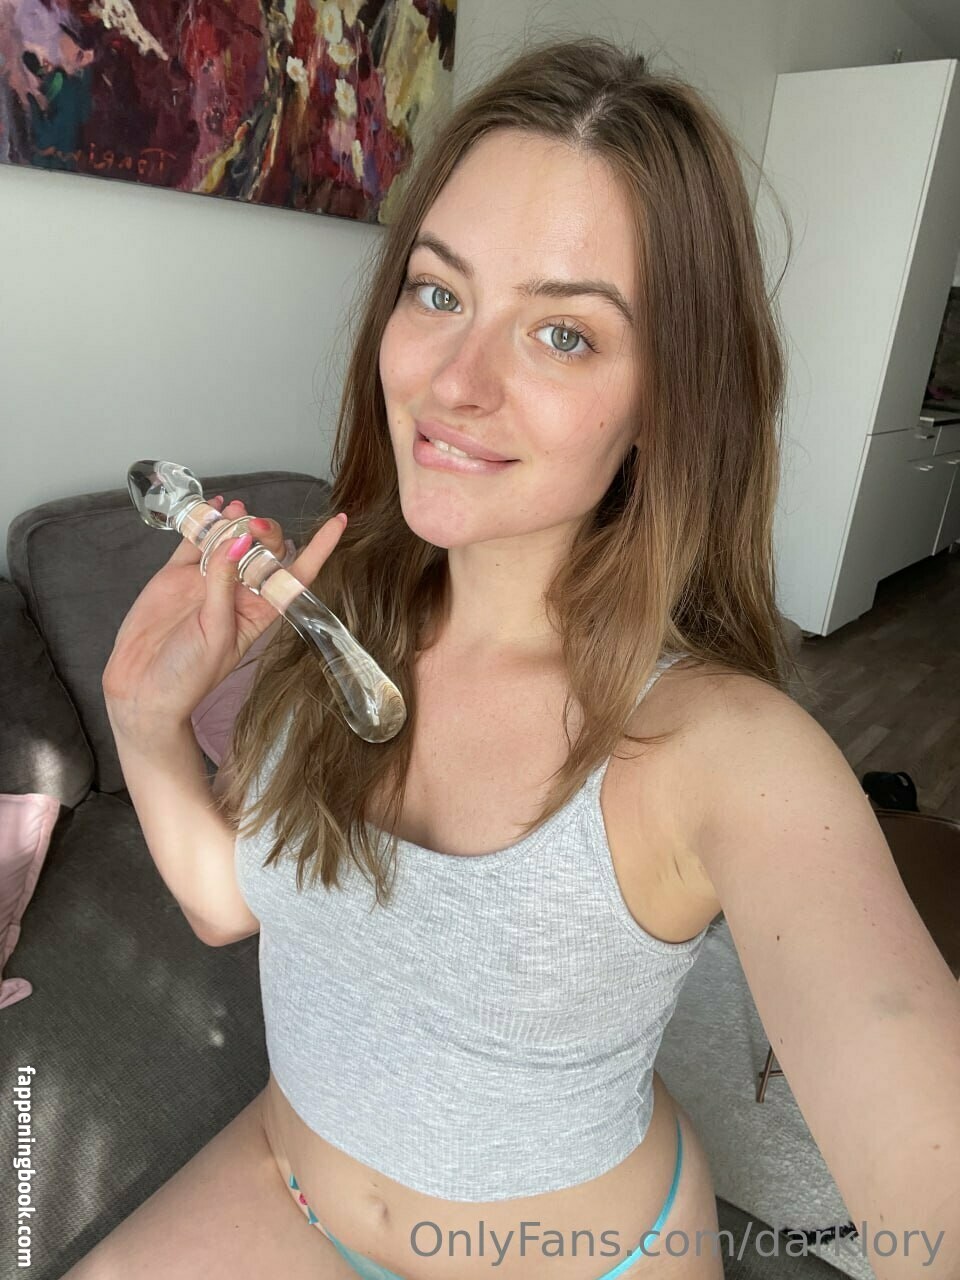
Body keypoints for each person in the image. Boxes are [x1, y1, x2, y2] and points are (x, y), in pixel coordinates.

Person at [78, 34, 960, 1280]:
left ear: (667, 397)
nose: (455, 382)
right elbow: (231, 904)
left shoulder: (726, 753)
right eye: (439, 294)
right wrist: (143, 717)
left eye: (563, 334)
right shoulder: (330, 617)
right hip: (290, 1190)